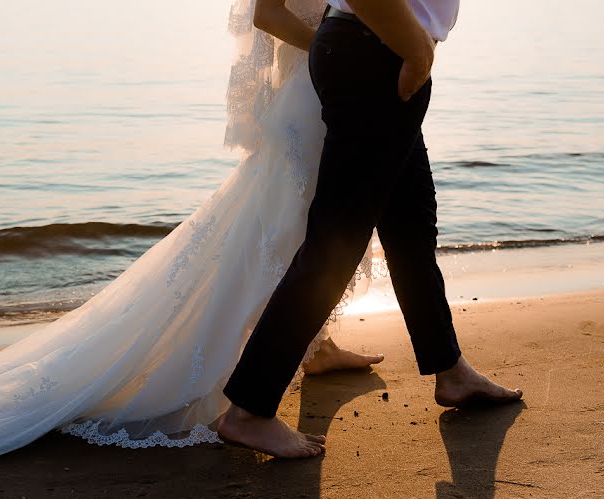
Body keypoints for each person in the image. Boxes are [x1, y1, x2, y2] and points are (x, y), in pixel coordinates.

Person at [0, 0, 385, 482]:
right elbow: (267, 12)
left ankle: (316, 346)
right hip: (319, 82)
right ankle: (257, 391)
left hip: (324, 87)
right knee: (292, 229)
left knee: (310, 224)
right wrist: (340, 49)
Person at [217, 0, 524, 459]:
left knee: (411, 225)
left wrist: (414, 48)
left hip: (381, 49)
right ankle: (248, 410)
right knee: (334, 246)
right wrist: (417, 52)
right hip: (378, 52)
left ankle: (450, 369)